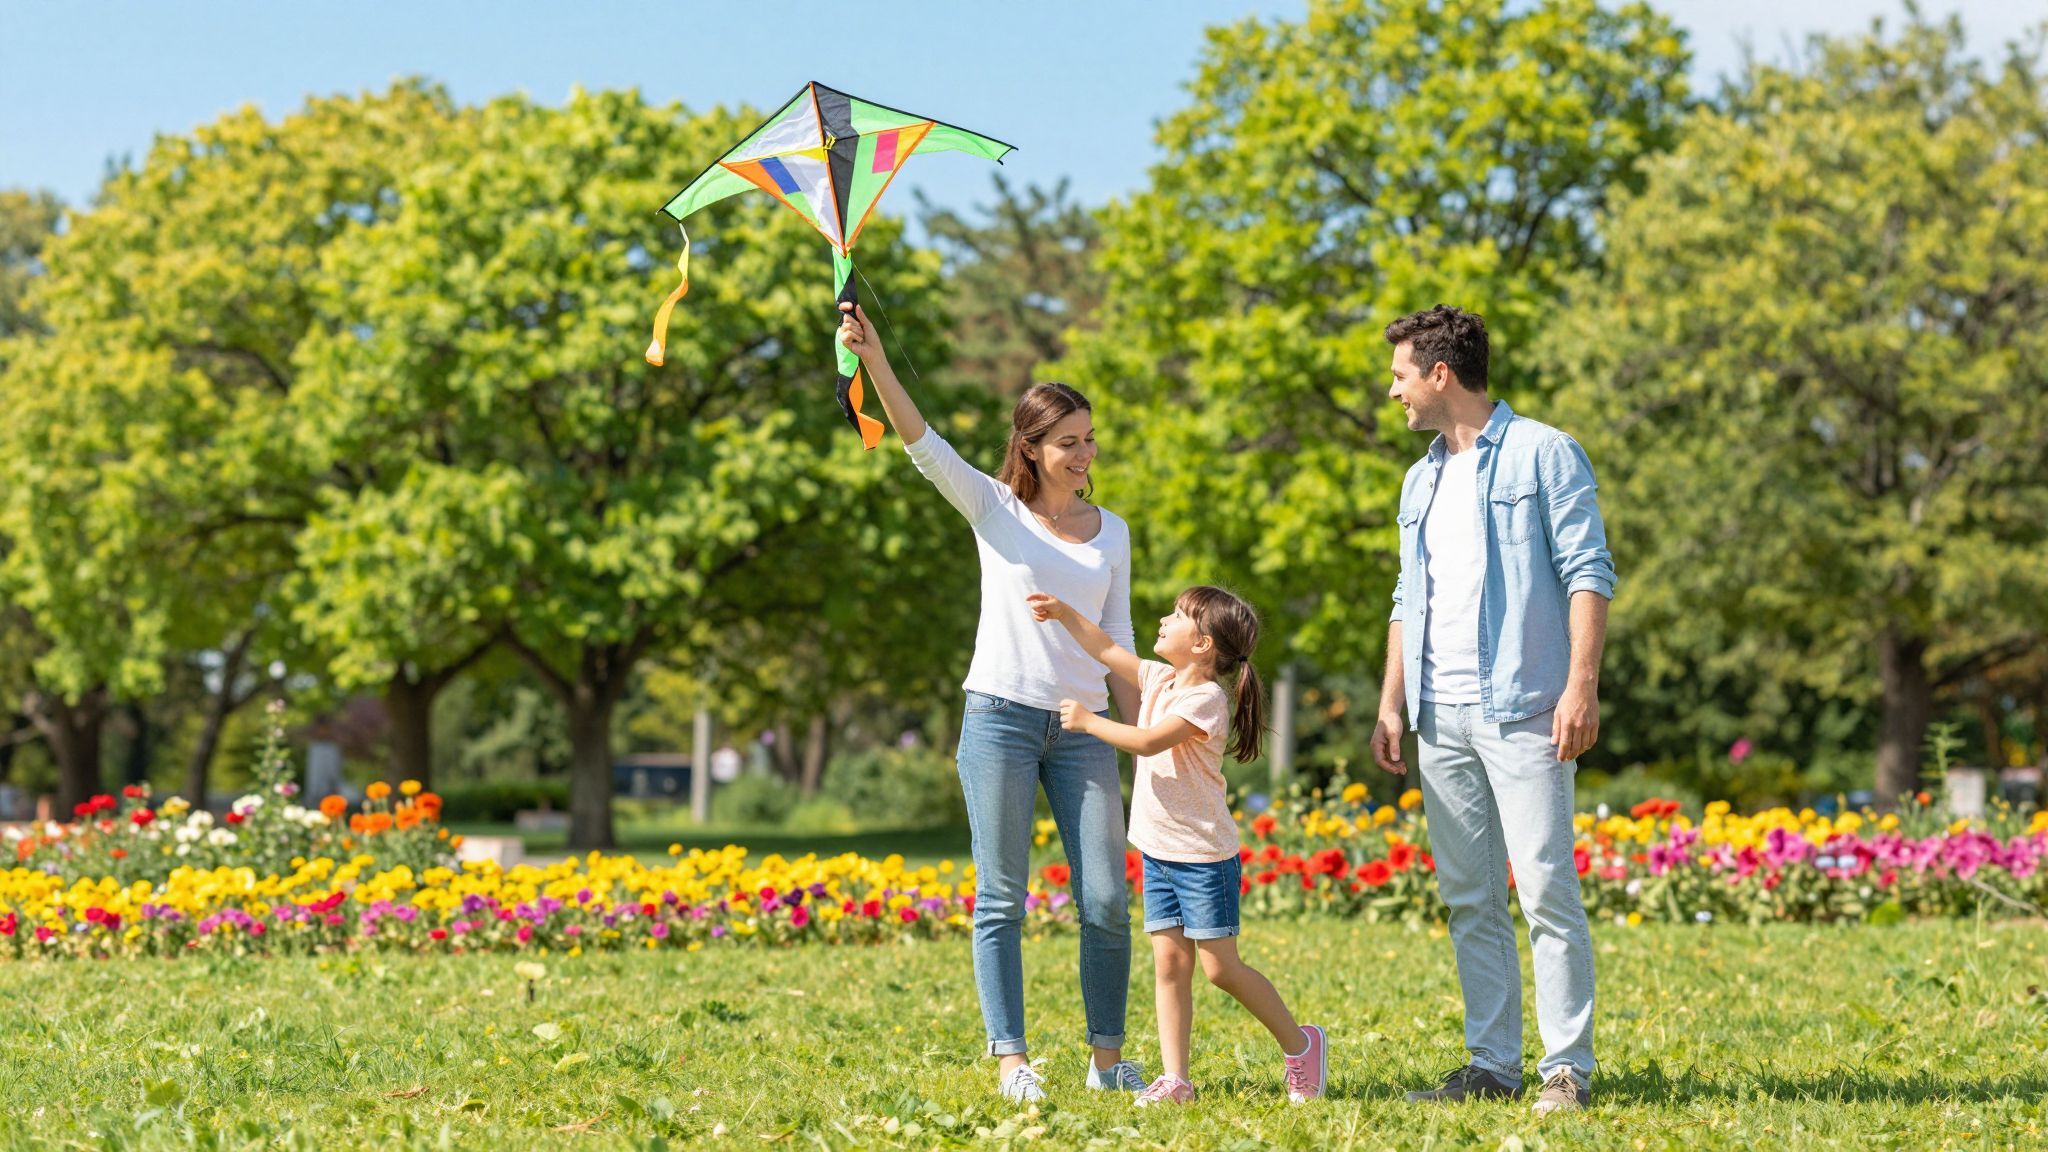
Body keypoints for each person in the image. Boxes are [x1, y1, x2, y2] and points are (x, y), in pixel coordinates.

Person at [838, 302, 1144, 1102]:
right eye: (1067, 442)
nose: (1084, 453)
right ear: (1031, 449)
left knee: (1107, 900)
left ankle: (1107, 1062)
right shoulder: (992, 510)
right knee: (1002, 897)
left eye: (1088, 438)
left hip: (1082, 730)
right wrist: (873, 358)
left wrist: (1155, 732)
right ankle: (1013, 1060)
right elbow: (920, 441)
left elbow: (1119, 638)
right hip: (1000, 720)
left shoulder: (1112, 531)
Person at [1368, 305, 1615, 1116]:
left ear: (1441, 374)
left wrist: (1581, 686)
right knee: (1470, 896)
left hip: (1526, 707)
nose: (1393, 390)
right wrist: (1391, 701)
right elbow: (1408, 594)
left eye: (1402, 374)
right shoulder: (1421, 477)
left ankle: (1565, 1068)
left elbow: (1587, 572)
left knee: (1545, 887)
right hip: (1441, 712)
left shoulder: (1547, 454)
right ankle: (1491, 1063)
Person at [1028, 585, 1327, 1106]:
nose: (1163, 619)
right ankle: (1177, 1081)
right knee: (1169, 965)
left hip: (1203, 857)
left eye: (1178, 615)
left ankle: (1302, 1045)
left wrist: (1089, 721)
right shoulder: (1160, 677)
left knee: (1219, 969)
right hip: (1157, 852)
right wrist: (1063, 612)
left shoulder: (1205, 699)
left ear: (1203, 644)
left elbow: (1148, 741)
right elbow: (1104, 648)